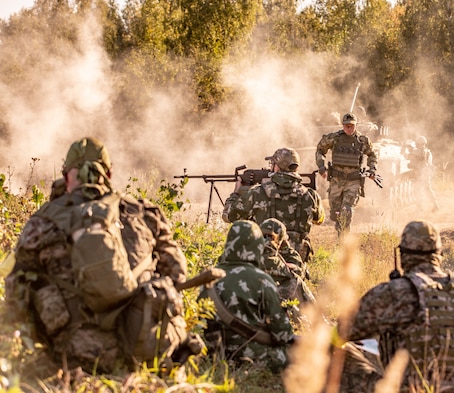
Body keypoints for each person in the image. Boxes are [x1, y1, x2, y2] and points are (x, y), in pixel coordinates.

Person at [4, 137, 195, 376]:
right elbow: (177, 274)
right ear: (110, 173)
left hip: (72, 357)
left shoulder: (43, 221)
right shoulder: (145, 213)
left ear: (66, 176)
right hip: (143, 350)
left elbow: (15, 292)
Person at [334, 220, 454, 393]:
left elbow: (343, 331)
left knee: (337, 354)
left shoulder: (394, 292)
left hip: (412, 389)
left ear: (402, 255)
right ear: (439, 255)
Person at [198, 220, 294, 373]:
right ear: (257, 246)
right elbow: (282, 334)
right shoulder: (262, 280)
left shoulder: (208, 277)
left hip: (213, 358)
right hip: (252, 360)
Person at [222, 147, 325, 263]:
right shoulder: (310, 195)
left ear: (277, 167)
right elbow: (319, 220)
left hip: (264, 262)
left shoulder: (258, 193)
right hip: (297, 263)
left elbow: (228, 216)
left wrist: (236, 193)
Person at [316, 113, 378, 236]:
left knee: (347, 209)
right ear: (343, 125)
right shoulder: (334, 138)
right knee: (335, 213)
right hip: (336, 180)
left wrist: (372, 169)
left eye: (352, 126)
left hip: (353, 181)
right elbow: (320, 149)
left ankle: (344, 239)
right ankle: (340, 230)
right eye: (347, 126)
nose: (349, 129)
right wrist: (322, 167)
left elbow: (372, 155)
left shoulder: (362, 140)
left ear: (356, 125)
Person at [258, 218, 316, 310]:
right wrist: (285, 247)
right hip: (265, 303)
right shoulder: (271, 257)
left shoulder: (247, 250)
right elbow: (297, 271)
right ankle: (318, 319)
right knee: (295, 282)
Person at [404, 136, 439, 212]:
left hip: (420, 173)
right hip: (426, 173)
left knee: (417, 190)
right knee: (428, 189)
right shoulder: (428, 152)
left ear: (418, 143)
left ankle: (420, 208)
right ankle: (435, 205)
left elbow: (407, 157)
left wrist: (404, 150)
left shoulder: (418, 151)